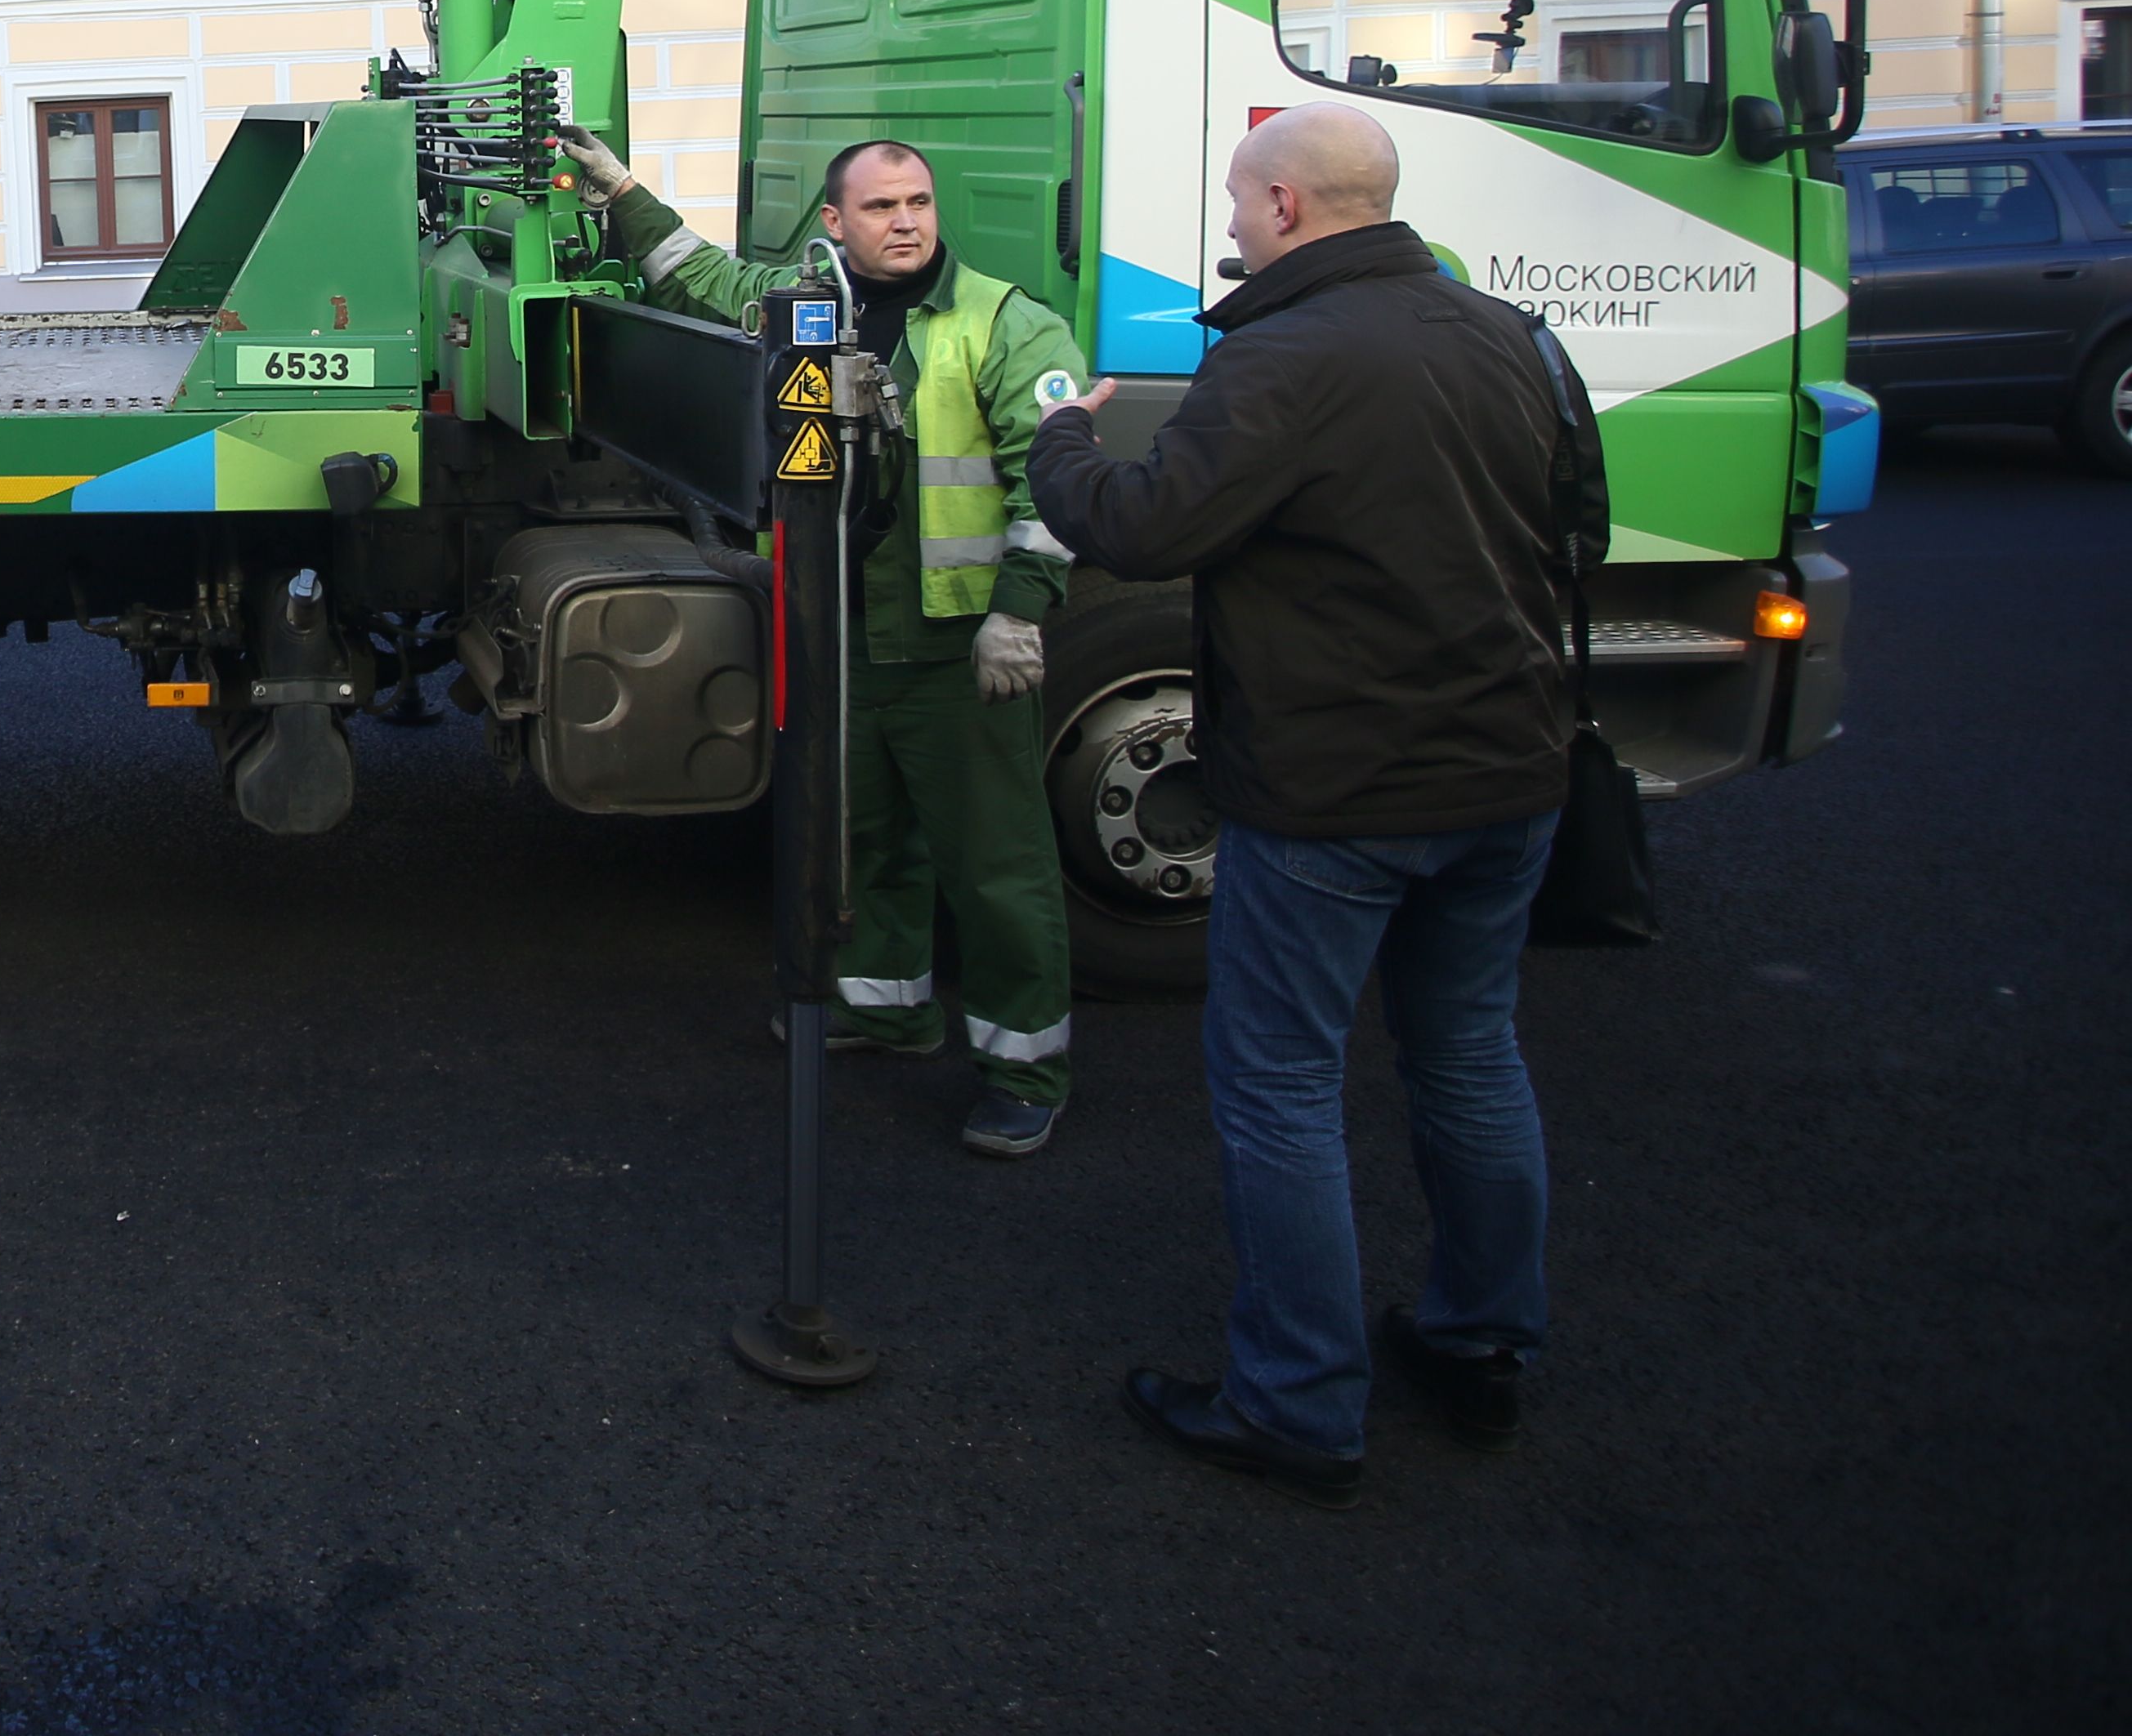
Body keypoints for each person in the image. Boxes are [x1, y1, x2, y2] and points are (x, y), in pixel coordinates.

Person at [1026, 101, 1603, 1511]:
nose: (1227, 224)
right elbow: (1575, 525)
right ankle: (1479, 1341)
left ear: (1286, 205)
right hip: (1510, 772)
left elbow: (1145, 525)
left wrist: (1058, 445)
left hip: (1337, 788)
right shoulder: (1506, 332)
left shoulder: (1280, 356)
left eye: (1236, 199)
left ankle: (1295, 1401)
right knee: (1467, 1055)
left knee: (1280, 1082)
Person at [560, 129, 1092, 1158]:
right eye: (884, 208)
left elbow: (1058, 483)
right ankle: (888, 1010)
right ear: (836, 225)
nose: (907, 223)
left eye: (920, 205)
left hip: (956, 647)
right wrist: (621, 189)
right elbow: (701, 279)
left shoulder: (1005, 325)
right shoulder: (807, 306)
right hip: (842, 632)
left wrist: (1019, 612)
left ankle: (1027, 1069)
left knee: (997, 868)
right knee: (865, 836)